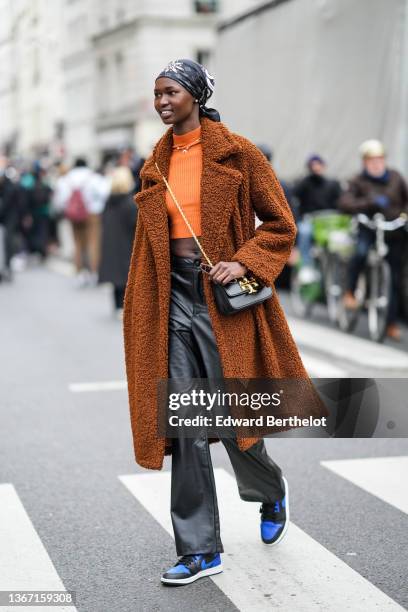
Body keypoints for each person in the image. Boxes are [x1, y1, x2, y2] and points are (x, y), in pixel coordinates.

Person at [123, 58, 328, 586]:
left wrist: (246, 261)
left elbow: (282, 223)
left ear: (195, 94)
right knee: (187, 422)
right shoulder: (155, 164)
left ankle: (270, 490)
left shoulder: (239, 153)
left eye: (170, 92)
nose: (162, 102)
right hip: (173, 297)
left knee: (238, 416)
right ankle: (198, 550)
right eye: (157, 94)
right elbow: (148, 244)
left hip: (223, 298)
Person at [339, 139, 408, 341]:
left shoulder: (396, 177)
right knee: (359, 253)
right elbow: (345, 203)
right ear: (365, 162)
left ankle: (391, 323)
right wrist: (368, 202)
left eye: (379, 159)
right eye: (372, 160)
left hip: (393, 230)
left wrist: (403, 216)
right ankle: (350, 292)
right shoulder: (358, 180)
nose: (376, 164)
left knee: (395, 277)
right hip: (368, 227)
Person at [55, 158, 109, 286]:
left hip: (74, 215)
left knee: (78, 243)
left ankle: (80, 273)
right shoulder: (94, 177)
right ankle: (94, 273)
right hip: (93, 213)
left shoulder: (66, 179)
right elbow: (104, 193)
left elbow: (60, 199)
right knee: (93, 243)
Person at [293, 154, 341, 281]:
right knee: (304, 232)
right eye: (313, 165)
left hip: (329, 222)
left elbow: (340, 202)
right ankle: (306, 267)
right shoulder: (305, 184)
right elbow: (294, 197)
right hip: (311, 220)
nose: (316, 168)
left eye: (318, 165)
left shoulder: (332, 184)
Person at [98, 166, 137, 316]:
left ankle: (116, 305)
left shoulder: (109, 201)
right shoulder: (130, 203)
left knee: (115, 274)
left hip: (111, 241)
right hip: (126, 242)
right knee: (125, 272)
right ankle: (124, 305)